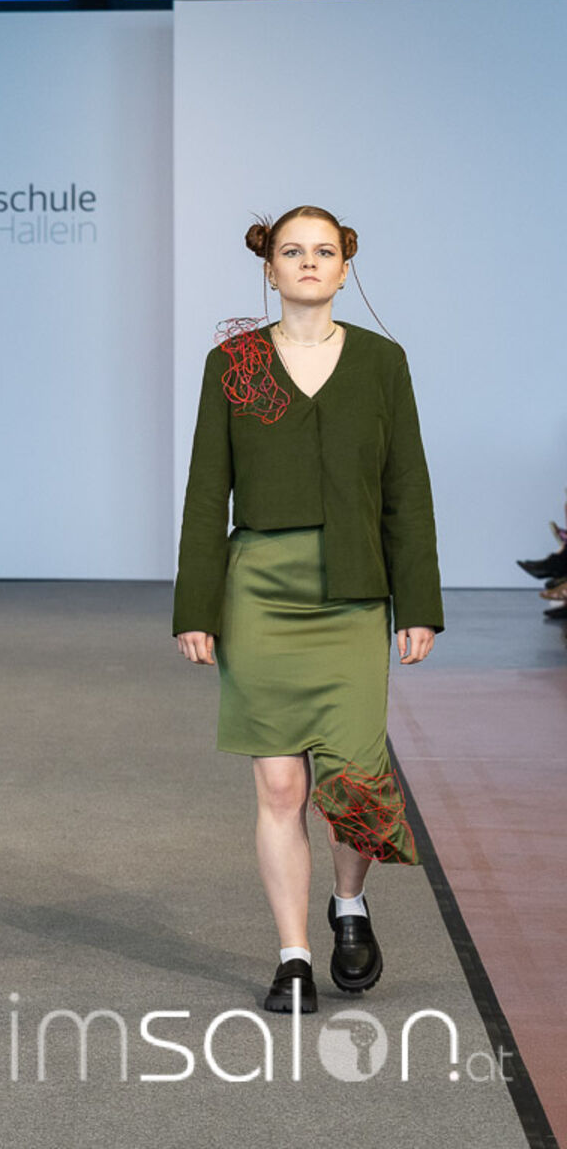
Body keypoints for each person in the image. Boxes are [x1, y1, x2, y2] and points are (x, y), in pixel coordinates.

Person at [173, 206, 441, 1016]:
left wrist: (418, 604)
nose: (309, 262)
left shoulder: (383, 362)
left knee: (354, 779)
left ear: (345, 269)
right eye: (293, 251)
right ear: (271, 268)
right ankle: (292, 957)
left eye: (324, 251)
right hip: (260, 592)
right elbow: (205, 490)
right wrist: (196, 606)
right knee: (281, 784)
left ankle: (348, 905)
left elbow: (407, 489)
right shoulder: (234, 363)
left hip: (353, 593)